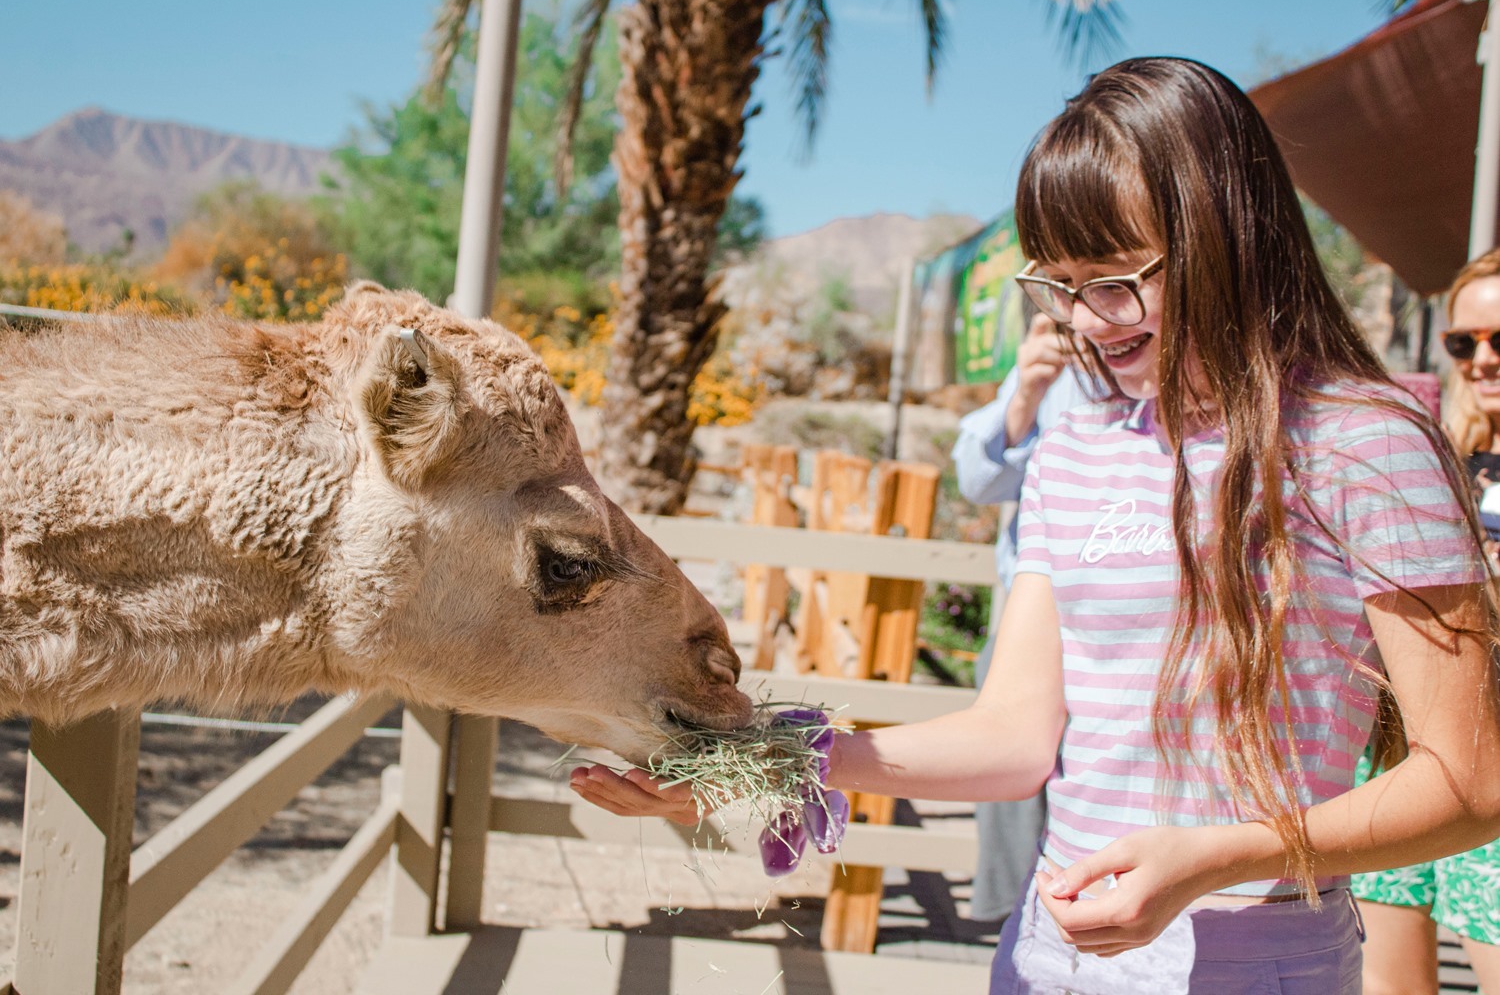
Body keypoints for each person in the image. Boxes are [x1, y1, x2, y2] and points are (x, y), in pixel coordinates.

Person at [571, 57, 1500, 994]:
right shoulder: (1076, 449)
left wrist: (1218, 859)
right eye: (1057, 284)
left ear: (1229, 234)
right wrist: (767, 763)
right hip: (1043, 960)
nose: (1087, 320)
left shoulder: (1365, 443)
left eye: (1115, 280)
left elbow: (1472, 783)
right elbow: (1016, 738)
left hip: (1257, 965)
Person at [1351, 250, 1500, 995]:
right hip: (1399, 753)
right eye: (1462, 342)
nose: (1482, 359)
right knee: (1388, 983)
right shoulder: (1446, 459)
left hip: (1492, 767)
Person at [952, 312, 1090, 921]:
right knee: (1005, 773)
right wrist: (1027, 392)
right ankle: (1014, 919)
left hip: (1125, 619)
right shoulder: (1051, 360)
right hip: (1032, 612)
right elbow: (977, 480)